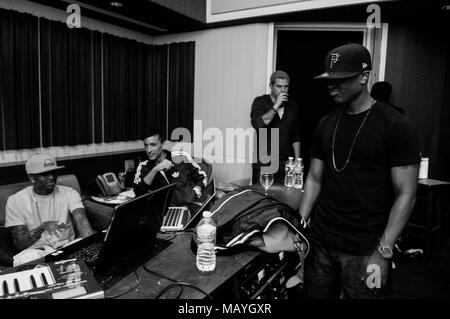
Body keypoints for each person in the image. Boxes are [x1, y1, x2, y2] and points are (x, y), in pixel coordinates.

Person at [299, 43, 420, 298]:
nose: (332, 85)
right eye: (329, 80)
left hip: (366, 249)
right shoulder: (326, 123)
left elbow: (406, 194)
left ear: (364, 77)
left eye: (340, 80)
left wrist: (384, 250)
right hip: (320, 244)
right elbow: (314, 179)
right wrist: (298, 230)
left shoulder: (396, 125)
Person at [5, 153, 95, 264]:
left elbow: (82, 221)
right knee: (23, 260)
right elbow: (20, 244)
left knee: (89, 247)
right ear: (32, 178)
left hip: (67, 247)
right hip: (37, 251)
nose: (52, 177)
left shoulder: (70, 193)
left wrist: (93, 249)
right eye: (45, 174)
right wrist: (42, 227)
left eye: (53, 172)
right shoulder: (15, 200)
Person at [250, 70, 301, 184]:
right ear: (271, 86)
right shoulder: (260, 102)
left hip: (285, 165)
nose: (283, 90)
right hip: (264, 164)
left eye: (286, 87)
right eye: (279, 86)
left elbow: (296, 136)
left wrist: (297, 161)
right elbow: (258, 124)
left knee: (283, 199)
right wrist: (276, 105)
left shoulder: (292, 106)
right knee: (261, 199)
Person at [133, 128, 208, 205]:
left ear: (163, 144)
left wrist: (196, 191)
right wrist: (155, 170)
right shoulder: (143, 166)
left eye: (153, 145)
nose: (148, 150)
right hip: (165, 212)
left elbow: (202, 177)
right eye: (146, 146)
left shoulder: (181, 157)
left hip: (190, 206)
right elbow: (138, 193)